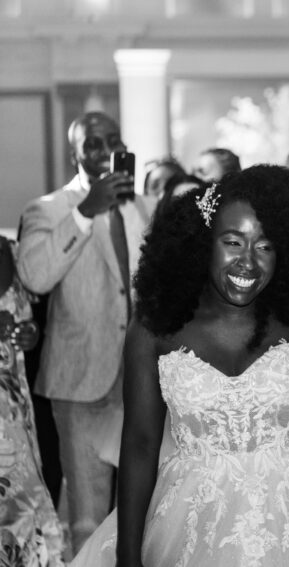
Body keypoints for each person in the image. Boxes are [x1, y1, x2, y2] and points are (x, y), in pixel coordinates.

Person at [71, 165, 289, 566]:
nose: (248, 262)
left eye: (265, 246)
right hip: (192, 517)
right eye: (233, 242)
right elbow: (141, 443)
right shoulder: (157, 324)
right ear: (204, 242)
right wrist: (129, 555)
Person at [17, 111, 157, 553]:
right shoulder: (48, 208)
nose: (104, 149)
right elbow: (35, 276)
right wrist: (84, 211)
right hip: (81, 381)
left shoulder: (144, 209)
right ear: (73, 151)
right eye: (93, 142)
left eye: (112, 140)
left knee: (147, 510)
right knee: (87, 516)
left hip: (144, 380)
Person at [0, 235, 64, 565]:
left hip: (17, 420)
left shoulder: (12, 249)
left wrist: (30, 333)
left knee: (24, 517)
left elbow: (31, 318)